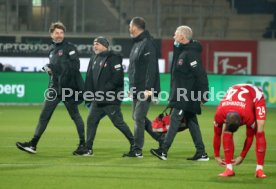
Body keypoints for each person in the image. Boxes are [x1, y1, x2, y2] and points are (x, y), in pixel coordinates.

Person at [16, 22, 86, 155]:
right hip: (54, 88)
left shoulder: (70, 48)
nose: (59, 35)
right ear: (51, 34)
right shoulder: (52, 50)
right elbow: (57, 69)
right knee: (44, 116)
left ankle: (83, 145)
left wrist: (54, 67)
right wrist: (49, 69)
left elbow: (75, 67)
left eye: (61, 33)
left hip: (68, 88)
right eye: (56, 33)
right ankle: (33, 144)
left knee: (75, 115)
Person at [150, 25, 209, 161]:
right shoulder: (182, 52)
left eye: (175, 34)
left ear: (182, 37)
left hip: (186, 96)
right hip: (181, 94)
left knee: (175, 120)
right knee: (192, 122)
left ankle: (163, 150)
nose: (173, 36)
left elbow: (200, 75)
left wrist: (204, 95)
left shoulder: (191, 54)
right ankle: (201, 152)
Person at [74, 36, 134, 156]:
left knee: (118, 122)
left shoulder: (113, 58)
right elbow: (90, 78)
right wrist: (88, 95)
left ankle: (135, 144)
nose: (95, 46)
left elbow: (117, 79)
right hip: (98, 98)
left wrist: (103, 90)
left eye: (98, 44)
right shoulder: (94, 58)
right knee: (91, 120)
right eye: (94, 44)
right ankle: (88, 148)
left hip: (110, 98)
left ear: (105, 46)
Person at [122, 17, 164, 158]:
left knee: (138, 117)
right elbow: (134, 69)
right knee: (138, 116)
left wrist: (148, 88)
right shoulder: (137, 44)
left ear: (134, 27)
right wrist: (131, 87)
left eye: (130, 26)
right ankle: (161, 139)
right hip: (136, 88)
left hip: (145, 89)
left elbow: (150, 69)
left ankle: (137, 149)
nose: (129, 29)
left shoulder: (147, 44)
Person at [213, 84, 267, 178]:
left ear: (242, 122)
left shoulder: (248, 116)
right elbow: (217, 134)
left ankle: (259, 170)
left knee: (259, 129)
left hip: (255, 95)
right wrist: (217, 155)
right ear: (225, 120)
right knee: (227, 132)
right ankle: (229, 169)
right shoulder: (219, 114)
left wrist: (242, 156)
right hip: (234, 93)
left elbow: (250, 136)